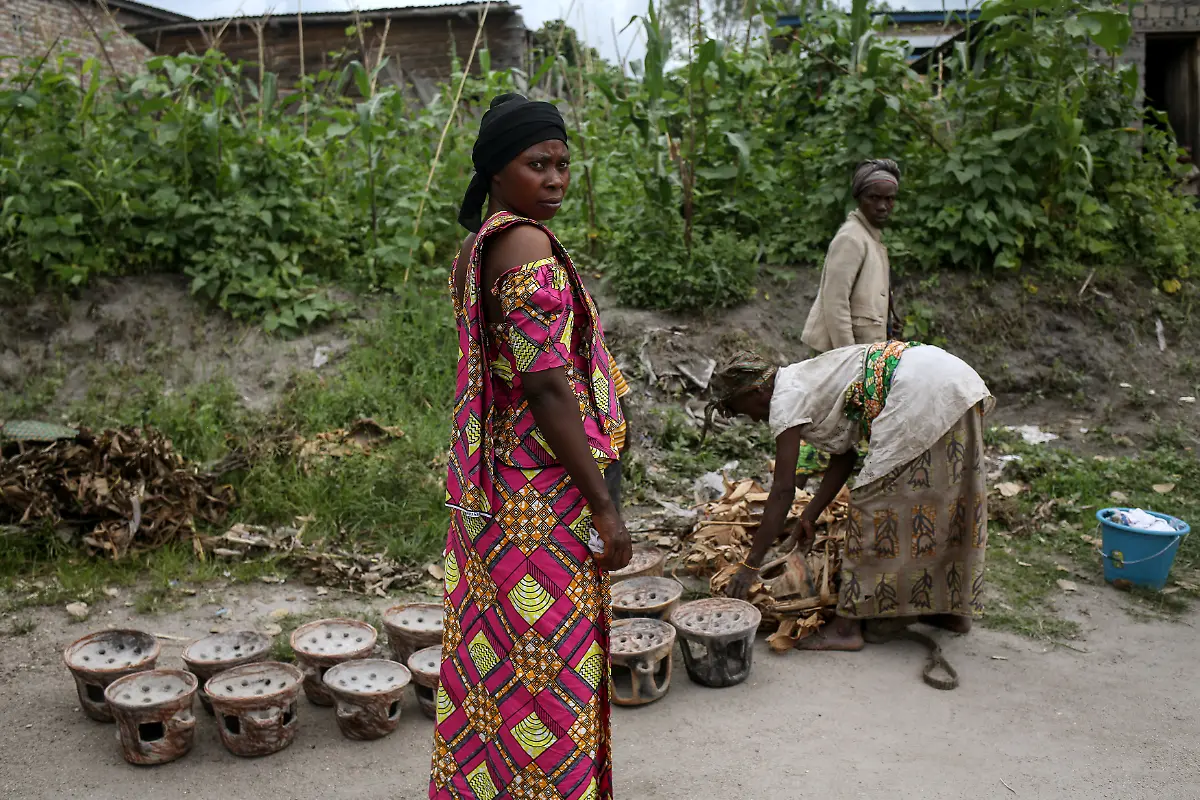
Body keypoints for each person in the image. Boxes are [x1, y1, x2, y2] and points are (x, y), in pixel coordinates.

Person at [433, 93, 632, 800]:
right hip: (538, 501)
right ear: (494, 170)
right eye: (535, 163)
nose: (554, 179)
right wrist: (604, 509)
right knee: (548, 679)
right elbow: (546, 387)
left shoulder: (476, 246)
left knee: (497, 669)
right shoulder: (524, 243)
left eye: (562, 165)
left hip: (492, 497)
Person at [715, 342, 994, 651]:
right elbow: (843, 459)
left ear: (757, 393)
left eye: (746, 411)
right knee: (941, 499)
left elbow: (782, 490)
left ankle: (847, 627)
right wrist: (808, 516)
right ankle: (950, 610)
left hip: (921, 390)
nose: (754, 419)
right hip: (950, 381)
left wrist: (750, 567)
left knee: (871, 507)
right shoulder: (804, 378)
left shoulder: (784, 401)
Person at [801, 159, 902, 353]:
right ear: (859, 198)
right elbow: (835, 302)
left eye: (889, 199)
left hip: (862, 355)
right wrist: (848, 358)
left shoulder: (870, 238)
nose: (882, 206)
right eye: (873, 198)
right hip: (837, 357)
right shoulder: (851, 238)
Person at [604, 352, 631, 509]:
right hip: (590, 451)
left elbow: (619, 393)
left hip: (612, 445)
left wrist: (627, 433)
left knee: (609, 506)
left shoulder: (599, 351)